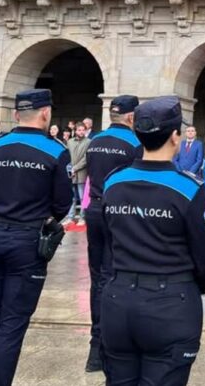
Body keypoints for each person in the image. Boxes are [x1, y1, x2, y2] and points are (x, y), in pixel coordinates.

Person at [100, 95, 205, 385]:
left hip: (117, 300)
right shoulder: (188, 188)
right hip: (170, 303)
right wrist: (192, 287)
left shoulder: (114, 182)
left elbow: (107, 240)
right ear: (175, 137)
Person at [0, 88, 71, 386]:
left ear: (15, 114)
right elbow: (63, 203)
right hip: (28, 241)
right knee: (11, 325)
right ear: (46, 113)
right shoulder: (55, 150)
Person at [83, 94, 142, 373]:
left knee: (98, 277)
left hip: (94, 210)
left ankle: (95, 348)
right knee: (118, 275)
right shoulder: (135, 143)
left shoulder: (94, 142)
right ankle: (113, 343)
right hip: (120, 213)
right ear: (131, 117)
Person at [67, 121, 90, 221]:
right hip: (71, 173)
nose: (81, 132)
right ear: (75, 131)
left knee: (82, 197)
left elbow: (86, 158)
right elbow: (67, 157)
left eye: (83, 130)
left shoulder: (89, 141)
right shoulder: (70, 142)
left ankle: (82, 217)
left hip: (82, 173)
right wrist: (69, 169)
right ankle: (70, 216)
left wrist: (75, 168)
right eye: (79, 130)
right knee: (72, 197)